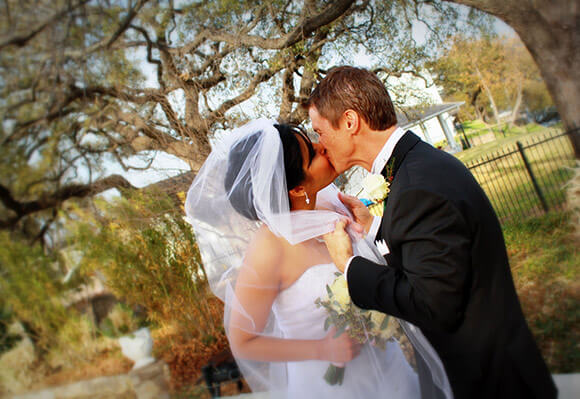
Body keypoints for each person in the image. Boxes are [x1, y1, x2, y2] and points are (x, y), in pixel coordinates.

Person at [307, 66, 557, 399]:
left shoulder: (416, 185)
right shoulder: (418, 165)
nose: (319, 145)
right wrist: (374, 226)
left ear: (350, 122)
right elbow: (435, 253)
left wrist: (349, 265)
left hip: (490, 380)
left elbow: (433, 303)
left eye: (319, 131)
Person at [185, 119, 452, 398]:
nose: (321, 147)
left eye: (313, 141)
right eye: (312, 155)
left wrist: (372, 226)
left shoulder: (331, 201)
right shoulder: (268, 248)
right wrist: (321, 348)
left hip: (390, 369)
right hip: (332, 387)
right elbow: (243, 342)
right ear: (296, 189)